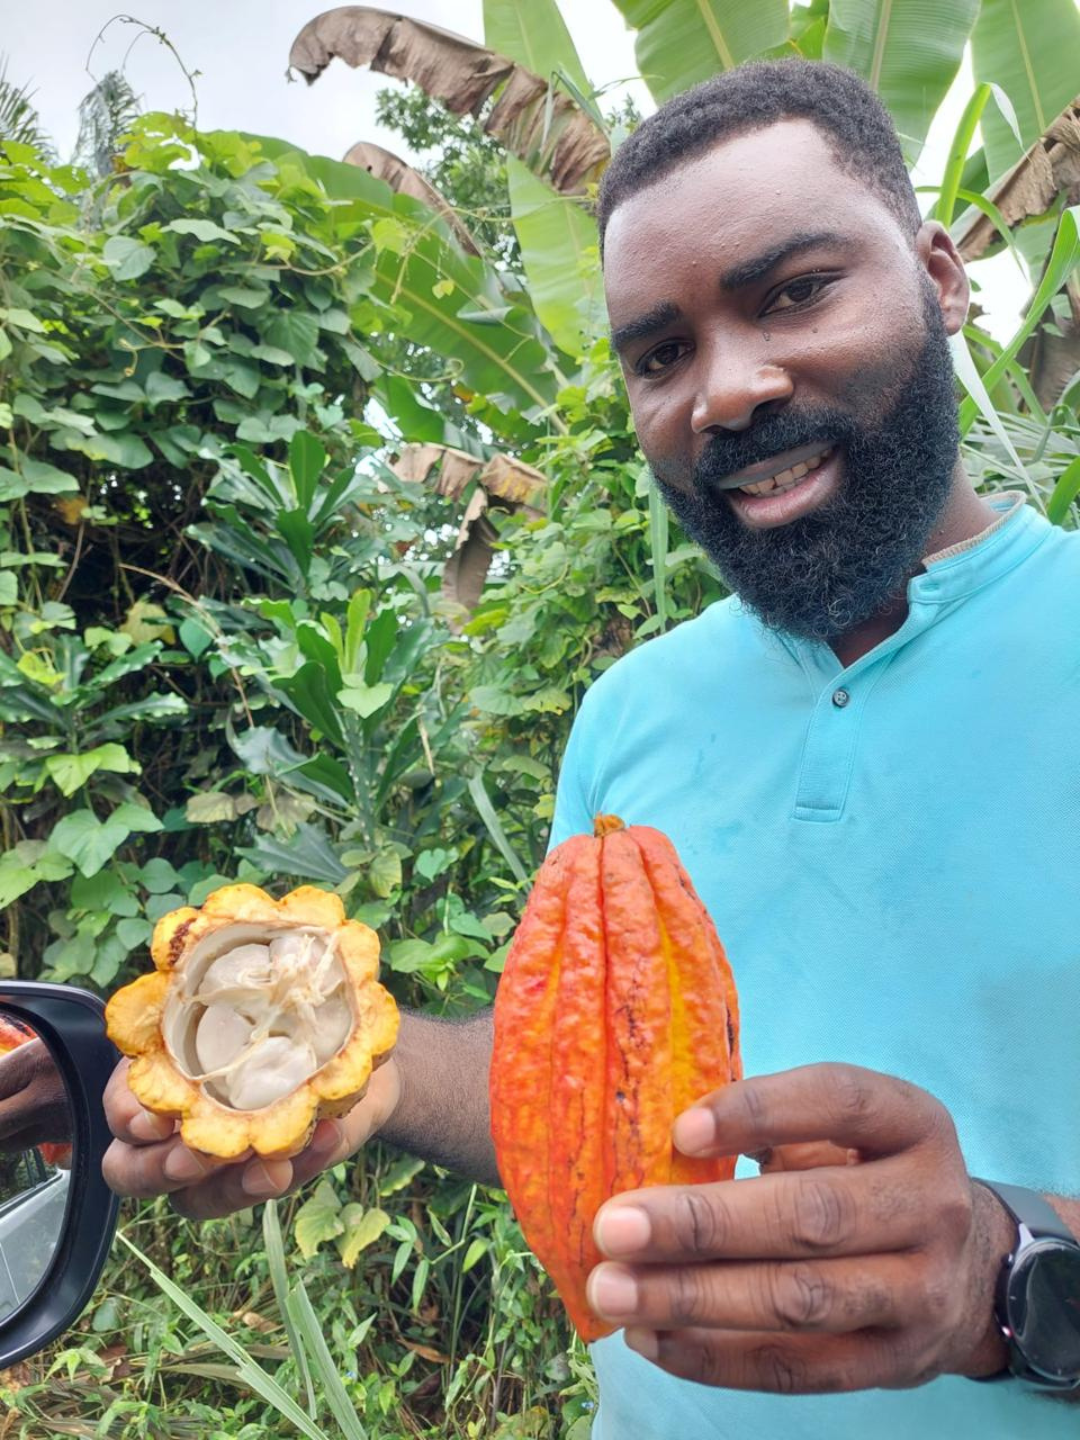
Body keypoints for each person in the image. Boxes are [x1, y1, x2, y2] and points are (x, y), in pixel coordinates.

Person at [104, 59, 1080, 1437]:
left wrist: (1007, 1275)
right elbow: (579, 1082)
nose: (725, 391)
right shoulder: (634, 709)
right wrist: (351, 1068)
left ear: (939, 277)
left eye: (796, 291)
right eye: (659, 355)